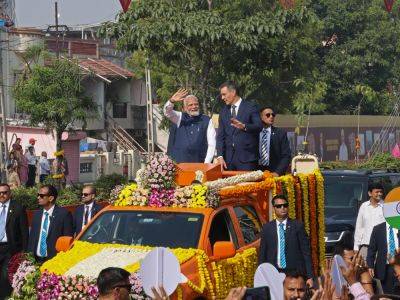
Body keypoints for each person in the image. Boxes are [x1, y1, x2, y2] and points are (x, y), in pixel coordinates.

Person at [258, 194, 313, 285]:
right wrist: (260, 276)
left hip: (294, 273)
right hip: (274, 272)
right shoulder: (267, 228)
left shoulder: (298, 226)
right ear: (274, 208)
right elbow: (262, 254)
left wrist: (310, 276)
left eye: (285, 205)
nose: (282, 208)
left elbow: (306, 252)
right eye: (279, 206)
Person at [216, 81, 263, 171]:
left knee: (246, 185)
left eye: (224, 94)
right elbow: (220, 136)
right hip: (228, 161)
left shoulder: (251, 107)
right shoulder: (223, 111)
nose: (222, 98)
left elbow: (258, 126)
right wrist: (220, 156)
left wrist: (244, 126)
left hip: (247, 159)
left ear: (233, 92)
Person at [165, 88, 216, 163]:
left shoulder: (206, 120)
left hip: (199, 162)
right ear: (185, 108)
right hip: (180, 163)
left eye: (196, 104)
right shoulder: (179, 117)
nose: (194, 107)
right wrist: (171, 101)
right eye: (190, 105)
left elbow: (212, 144)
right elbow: (167, 113)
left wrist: (206, 164)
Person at [28, 184, 73, 263]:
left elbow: (67, 239)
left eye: (41, 196)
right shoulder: (37, 214)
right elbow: (32, 237)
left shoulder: (64, 214)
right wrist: (29, 257)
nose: (38, 197)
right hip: (36, 260)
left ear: (51, 198)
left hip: (54, 261)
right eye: (38, 195)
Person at [0, 183, 29, 298]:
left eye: (5, 192)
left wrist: (25, 252)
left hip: (10, 249)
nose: (2, 195)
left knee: (6, 276)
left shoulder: (18, 208)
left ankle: (6, 297)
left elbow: (24, 232)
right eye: (0, 193)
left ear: (10, 193)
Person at [354, 182, 385, 258]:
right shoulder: (364, 206)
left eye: (381, 192)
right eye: (377, 192)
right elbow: (359, 227)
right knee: (363, 269)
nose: (379, 194)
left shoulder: (386, 206)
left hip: (381, 247)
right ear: (370, 193)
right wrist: (356, 246)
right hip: (366, 246)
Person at [367, 221, 400, 294]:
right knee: (388, 294)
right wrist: (370, 265)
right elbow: (372, 249)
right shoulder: (378, 229)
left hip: (398, 265)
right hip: (384, 268)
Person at [258, 106, 291, 176]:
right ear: (261, 117)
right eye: (268, 115)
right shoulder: (254, 133)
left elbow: (286, 155)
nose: (271, 117)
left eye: (273, 115)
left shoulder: (280, 133)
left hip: (275, 173)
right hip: (256, 173)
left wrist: (278, 172)